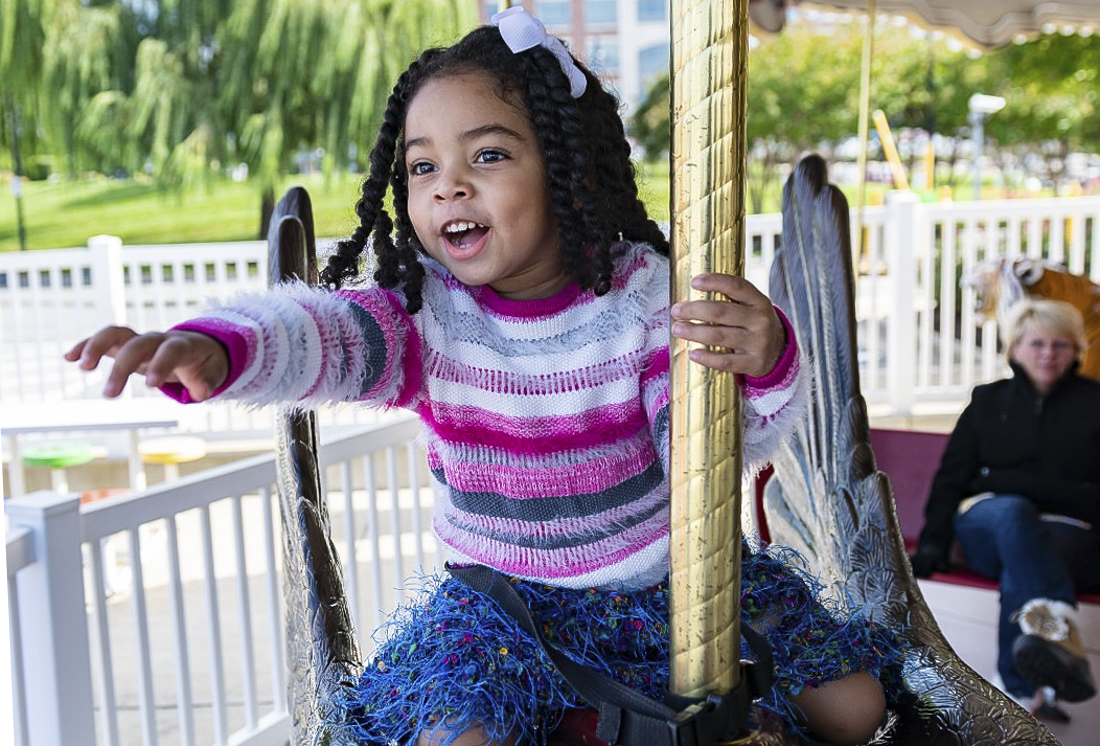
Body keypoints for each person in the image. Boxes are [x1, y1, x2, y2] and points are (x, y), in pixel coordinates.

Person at [66, 8, 901, 745]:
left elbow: (720, 441)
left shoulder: (642, 295)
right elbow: (322, 334)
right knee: (457, 736)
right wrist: (222, 350)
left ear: (566, 169)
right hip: (505, 610)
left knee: (855, 709)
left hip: (669, 582)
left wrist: (762, 361)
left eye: (488, 154)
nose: (448, 186)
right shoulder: (425, 313)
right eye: (423, 168)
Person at [912, 298, 1100, 719]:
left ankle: (1020, 691)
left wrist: (1003, 478)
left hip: (1067, 535)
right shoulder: (986, 401)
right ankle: (1056, 631)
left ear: (1076, 352)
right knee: (1014, 512)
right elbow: (951, 481)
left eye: (1060, 345)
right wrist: (932, 545)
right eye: (1036, 343)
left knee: (1030, 548)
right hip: (988, 525)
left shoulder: (1095, 404)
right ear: (1013, 348)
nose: (1048, 354)